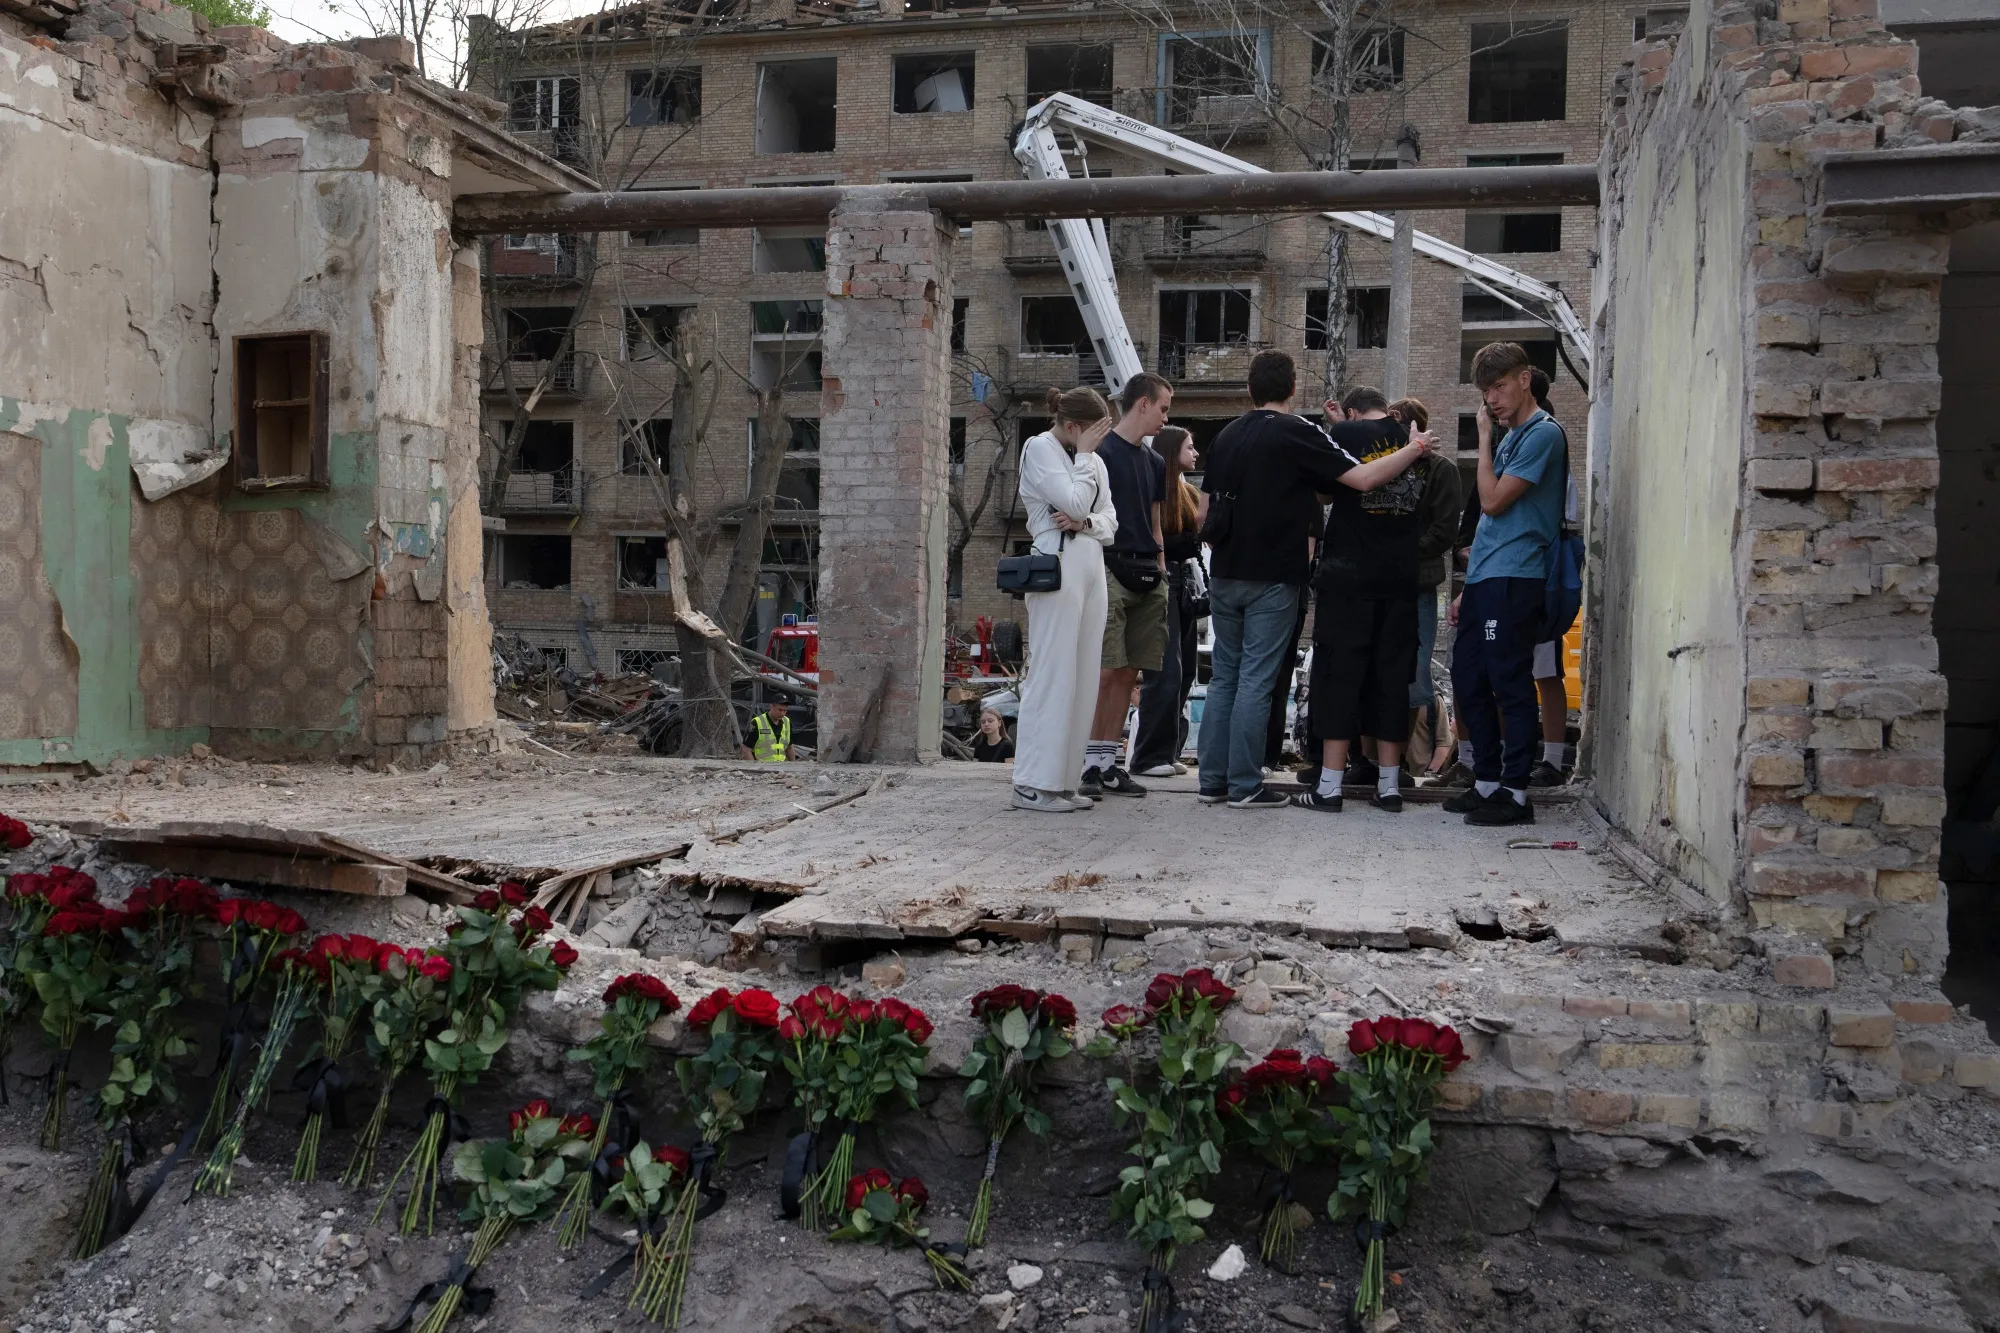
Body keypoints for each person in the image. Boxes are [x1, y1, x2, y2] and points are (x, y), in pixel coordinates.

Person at [1198, 350, 1433, 809]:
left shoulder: (1226, 434)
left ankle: (1212, 782)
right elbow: (1363, 480)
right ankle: (1245, 785)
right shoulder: (1295, 432)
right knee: (1255, 680)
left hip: (1224, 573)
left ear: (1250, 389)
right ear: (1292, 390)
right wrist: (1414, 448)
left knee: (1224, 678)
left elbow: (1205, 513)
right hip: (1274, 576)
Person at [1292, 387, 1440, 815]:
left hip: (1347, 578)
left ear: (1353, 411)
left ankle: (1330, 788)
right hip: (1400, 578)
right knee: (1392, 680)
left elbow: (1323, 493)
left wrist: (1339, 433)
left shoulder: (1344, 438)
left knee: (1340, 677)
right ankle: (1390, 788)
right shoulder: (1416, 437)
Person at [1446, 343, 1567, 827]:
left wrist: (1482, 441)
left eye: (1499, 386)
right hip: (1486, 577)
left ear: (1525, 380)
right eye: (1484, 391)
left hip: (1518, 577)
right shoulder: (1515, 435)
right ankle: (1487, 783)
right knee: (1468, 676)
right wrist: (1466, 588)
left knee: (1509, 683)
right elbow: (1487, 527)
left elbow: (1492, 503)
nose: (1492, 399)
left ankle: (1516, 795)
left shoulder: (1543, 434)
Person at [1011, 386, 1117, 813]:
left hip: (1090, 560)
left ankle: (1064, 779)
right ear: (1073, 426)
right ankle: (1032, 781)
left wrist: (1086, 521)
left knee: (1084, 674)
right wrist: (1087, 461)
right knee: (1053, 671)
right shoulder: (1040, 448)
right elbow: (1070, 498)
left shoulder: (1093, 460)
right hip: (1055, 560)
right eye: (1094, 432)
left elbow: (1110, 522)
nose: (1099, 440)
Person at [1083, 373, 1174, 799]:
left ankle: (1105, 763)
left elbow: (1155, 520)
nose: (1165, 417)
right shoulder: (1100, 451)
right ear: (1142, 404)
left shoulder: (1156, 462)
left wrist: (1161, 568)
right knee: (1104, 672)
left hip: (1147, 575)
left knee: (1128, 674)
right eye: (1163, 408)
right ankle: (1085, 763)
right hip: (1109, 568)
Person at [1132, 425, 1206, 778]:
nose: (1195, 453)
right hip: (1164, 581)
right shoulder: (1156, 488)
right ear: (1172, 450)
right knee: (1165, 671)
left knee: (1186, 670)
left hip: (1184, 584)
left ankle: (1169, 749)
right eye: (1190, 447)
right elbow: (1153, 534)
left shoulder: (1187, 490)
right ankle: (1149, 755)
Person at [1524, 367, 1579, 787]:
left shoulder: (1544, 440)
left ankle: (1551, 760)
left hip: (1540, 573)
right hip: (1534, 570)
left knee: (1544, 669)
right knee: (1535, 670)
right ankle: (1540, 758)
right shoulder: (1540, 437)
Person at [741, 696, 798, 762]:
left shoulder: (787, 722)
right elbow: (746, 750)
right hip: (762, 768)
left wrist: (793, 766)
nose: (782, 713)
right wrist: (754, 768)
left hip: (782, 768)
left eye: (785, 710)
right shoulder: (757, 723)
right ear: (771, 707)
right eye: (780, 710)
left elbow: (789, 747)